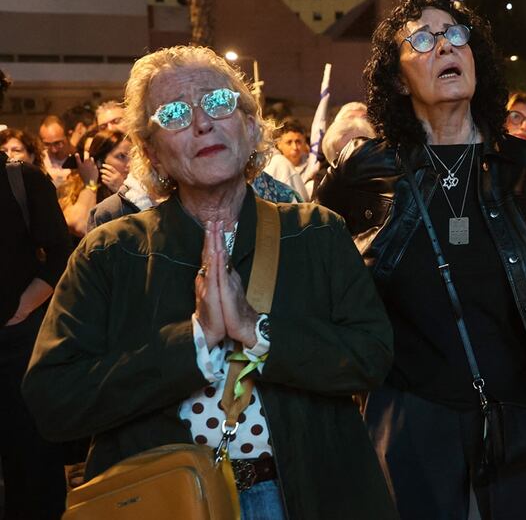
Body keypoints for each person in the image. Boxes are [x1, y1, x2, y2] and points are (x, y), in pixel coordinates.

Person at [23, 45, 397, 520]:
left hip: (308, 495)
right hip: (170, 503)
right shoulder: (111, 252)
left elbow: (372, 356)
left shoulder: (316, 231)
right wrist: (195, 341)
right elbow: (53, 401)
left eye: (219, 103)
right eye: (175, 113)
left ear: (249, 124)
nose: (202, 123)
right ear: (151, 150)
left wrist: (255, 332)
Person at [317, 0, 526, 519]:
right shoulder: (364, 171)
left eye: (456, 35)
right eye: (422, 39)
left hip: (521, 410)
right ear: (396, 78)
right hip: (410, 414)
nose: (444, 46)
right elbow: (323, 282)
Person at [1, 146, 73, 519]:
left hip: (16, 345)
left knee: (31, 469)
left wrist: (25, 306)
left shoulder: (22, 178)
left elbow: (62, 253)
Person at [58, 129, 131, 237]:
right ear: (100, 162)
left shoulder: (139, 187)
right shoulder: (75, 187)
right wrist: (90, 183)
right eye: (121, 156)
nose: (130, 164)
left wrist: (123, 191)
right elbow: (80, 226)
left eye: (133, 155)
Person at [264, 118, 311, 201]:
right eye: (289, 142)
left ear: (304, 142)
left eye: (298, 142)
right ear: (279, 144)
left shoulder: (313, 167)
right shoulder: (274, 165)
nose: (295, 147)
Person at [38, 115, 72, 187]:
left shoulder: (81, 159)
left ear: (68, 136)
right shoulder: (38, 161)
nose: (53, 150)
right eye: (47, 144)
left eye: (58, 143)